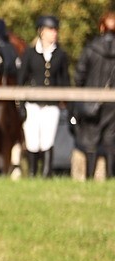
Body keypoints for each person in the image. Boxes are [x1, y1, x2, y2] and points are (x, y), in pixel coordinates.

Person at [18, 15, 70, 178]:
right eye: (50, 30)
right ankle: (33, 174)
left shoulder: (60, 55)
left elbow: (64, 81)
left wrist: (66, 102)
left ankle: (47, 173)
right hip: (32, 104)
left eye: (55, 30)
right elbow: (21, 80)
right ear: (41, 32)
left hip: (51, 104)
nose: (53, 33)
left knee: (47, 140)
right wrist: (20, 104)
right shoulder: (30, 53)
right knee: (32, 140)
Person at [74, 12, 115, 180]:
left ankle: (89, 176)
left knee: (90, 142)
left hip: (91, 101)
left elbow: (79, 76)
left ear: (101, 27)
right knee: (110, 141)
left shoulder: (91, 49)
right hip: (112, 105)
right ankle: (110, 176)